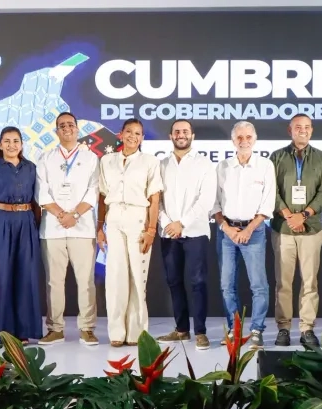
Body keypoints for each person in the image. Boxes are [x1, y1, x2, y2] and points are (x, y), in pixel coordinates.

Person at [96, 118, 163, 347]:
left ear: (142, 138)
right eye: (129, 132)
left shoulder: (150, 162)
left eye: (138, 133)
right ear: (120, 134)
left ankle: (136, 333)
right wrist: (100, 227)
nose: (133, 136)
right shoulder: (107, 161)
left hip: (138, 220)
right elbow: (102, 197)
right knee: (115, 277)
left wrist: (151, 229)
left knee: (137, 277)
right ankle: (116, 332)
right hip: (114, 219)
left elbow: (154, 198)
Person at [35, 112, 100, 346]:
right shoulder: (45, 157)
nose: (66, 129)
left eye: (70, 125)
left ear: (77, 129)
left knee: (86, 281)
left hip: (82, 227)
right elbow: (41, 192)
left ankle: (87, 328)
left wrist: (74, 215)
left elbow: (94, 191)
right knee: (54, 281)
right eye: (61, 126)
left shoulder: (91, 158)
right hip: (52, 228)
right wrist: (61, 214)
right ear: (56, 131)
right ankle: (55, 328)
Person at [269, 114, 322, 347]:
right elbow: (271, 191)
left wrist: (304, 215)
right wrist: (288, 215)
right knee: (283, 282)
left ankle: (307, 329)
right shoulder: (277, 157)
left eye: (306, 127)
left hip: (311, 229)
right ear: (290, 130)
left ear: (312, 131)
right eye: (298, 127)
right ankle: (283, 328)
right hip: (283, 229)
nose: (302, 130)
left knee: (309, 282)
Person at [212, 121, 275, 349]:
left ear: (255, 139)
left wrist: (248, 230)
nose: (244, 141)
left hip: (254, 231)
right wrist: (228, 229)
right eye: (240, 137)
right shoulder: (223, 167)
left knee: (258, 285)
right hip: (226, 232)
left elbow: (267, 204)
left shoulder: (265, 166)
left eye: (248, 137)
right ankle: (234, 329)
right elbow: (215, 203)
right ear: (233, 141)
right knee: (226, 284)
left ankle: (256, 330)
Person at [0, 126, 43, 344]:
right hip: (1, 221)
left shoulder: (31, 168)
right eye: (7, 141)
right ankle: (5, 332)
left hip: (26, 222)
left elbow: (37, 202)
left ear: (22, 144)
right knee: (3, 277)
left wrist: (35, 228)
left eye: (16, 141)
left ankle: (24, 331)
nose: (11, 145)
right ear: (0, 144)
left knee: (26, 276)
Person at [155, 120, 217, 350]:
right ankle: (181, 330)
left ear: (193, 135)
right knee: (174, 282)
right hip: (168, 233)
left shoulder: (204, 165)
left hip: (196, 232)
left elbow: (206, 201)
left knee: (198, 282)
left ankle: (200, 332)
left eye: (185, 131)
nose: (181, 135)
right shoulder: (161, 164)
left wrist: (183, 222)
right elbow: (156, 200)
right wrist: (168, 223)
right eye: (177, 131)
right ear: (170, 135)